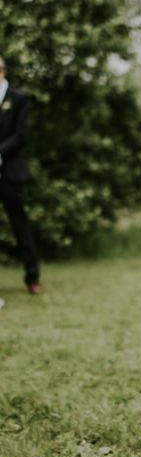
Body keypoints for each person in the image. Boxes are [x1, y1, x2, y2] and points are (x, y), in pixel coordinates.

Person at [0, 56, 41, 294]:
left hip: (10, 171)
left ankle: (32, 276)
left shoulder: (19, 98)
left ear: (2, 72)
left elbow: (21, 135)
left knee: (19, 224)